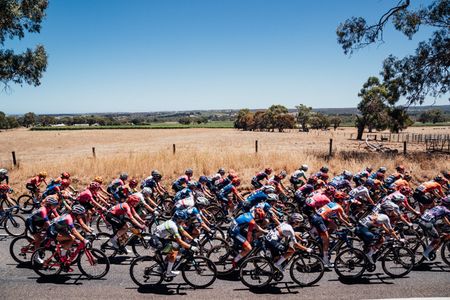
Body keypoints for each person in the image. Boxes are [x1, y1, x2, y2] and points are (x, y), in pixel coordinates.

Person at [151, 210, 199, 277]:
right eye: (183, 220)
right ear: (179, 220)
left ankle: (166, 263)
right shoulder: (173, 226)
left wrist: (192, 239)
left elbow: (183, 232)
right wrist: (191, 247)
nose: (184, 222)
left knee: (176, 246)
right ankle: (168, 272)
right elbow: (179, 241)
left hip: (159, 238)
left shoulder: (174, 222)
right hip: (157, 240)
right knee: (174, 251)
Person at [311, 199, 352, 267]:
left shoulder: (332, 203)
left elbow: (340, 218)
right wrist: (350, 223)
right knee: (326, 240)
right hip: (319, 220)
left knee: (334, 226)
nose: (345, 204)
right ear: (341, 202)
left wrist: (347, 223)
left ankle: (321, 234)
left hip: (317, 217)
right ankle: (325, 260)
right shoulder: (339, 207)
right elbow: (345, 216)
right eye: (344, 202)